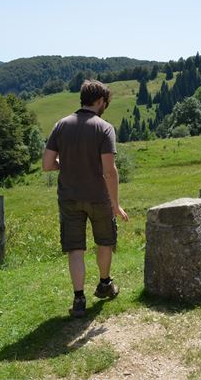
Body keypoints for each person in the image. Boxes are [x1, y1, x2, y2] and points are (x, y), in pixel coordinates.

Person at [42, 79, 128, 318]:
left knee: (75, 249)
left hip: (69, 197)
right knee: (104, 241)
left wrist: (66, 165)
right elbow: (109, 171)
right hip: (98, 197)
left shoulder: (61, 125)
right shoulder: (104, 128)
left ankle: (79, 299)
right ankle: (104, 284)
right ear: (100, 101)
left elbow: (47, 165)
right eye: (105, 103)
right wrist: (116, 204)